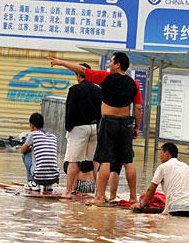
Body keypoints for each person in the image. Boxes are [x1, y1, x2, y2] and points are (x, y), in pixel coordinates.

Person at [49, 52, 142, 204]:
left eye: (111, 61)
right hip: (125, 123)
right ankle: (133, 197)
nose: (109, 64)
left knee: (105, 160)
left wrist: (61, 62)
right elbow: (138, 108)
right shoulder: (134, 83)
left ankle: (99, 197)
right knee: (128, 161)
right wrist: (137, 127)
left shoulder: (106, 77)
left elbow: (82, 70)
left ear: (117, 64)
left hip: (108, 122)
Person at [62, 63, 102, 199]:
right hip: (95, 128)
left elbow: (70, 109)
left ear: (78, 75)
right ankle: (99, 193)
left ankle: (68, 192)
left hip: (79, 128)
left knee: (72, 160)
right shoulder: (98, 90)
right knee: (96, 161)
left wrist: (68, 127)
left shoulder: (74, 89)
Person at [130, 143, 189, 217]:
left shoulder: (163, 167)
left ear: (167, 155)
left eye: (161, 153)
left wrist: (141, 205)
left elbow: (151, 190)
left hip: (176, 209)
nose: (160, 156)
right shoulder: (186, 167)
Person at [21, 112, 60, 192]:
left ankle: (33, 182)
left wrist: (31, 148)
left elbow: (22, 150)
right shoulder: (53, 136)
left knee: (25, 154)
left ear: (31, 125)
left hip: (39, 177)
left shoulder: (33, 134)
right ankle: (48, 186)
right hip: (54, 177)